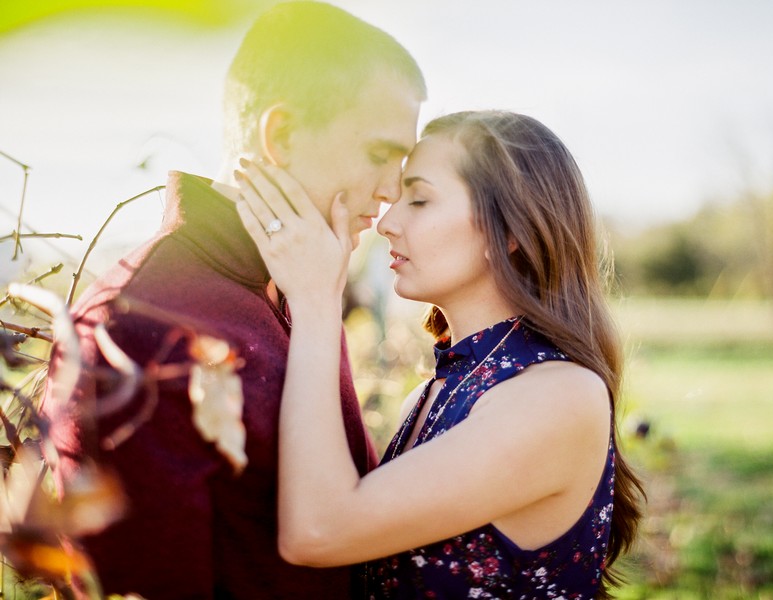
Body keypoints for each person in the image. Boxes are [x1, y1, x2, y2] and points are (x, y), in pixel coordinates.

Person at [40, 2, 425, 598]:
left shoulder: (303, 283)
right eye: (380, 155)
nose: (390, 192)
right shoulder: (136, 326)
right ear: (282, 134)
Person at [235, 110, 645, 599]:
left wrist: (319, 300)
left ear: (510, 230)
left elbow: (318, 531)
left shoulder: (558, 396)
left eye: (421, 199)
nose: (387, 222)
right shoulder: (429, 395)